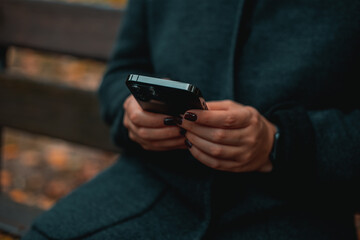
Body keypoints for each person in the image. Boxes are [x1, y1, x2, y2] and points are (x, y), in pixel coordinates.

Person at [23, 0, 360, 239]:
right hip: (154, 184)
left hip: (295, 207)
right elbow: (120, 73)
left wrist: (278, 143)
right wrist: (131, 111)